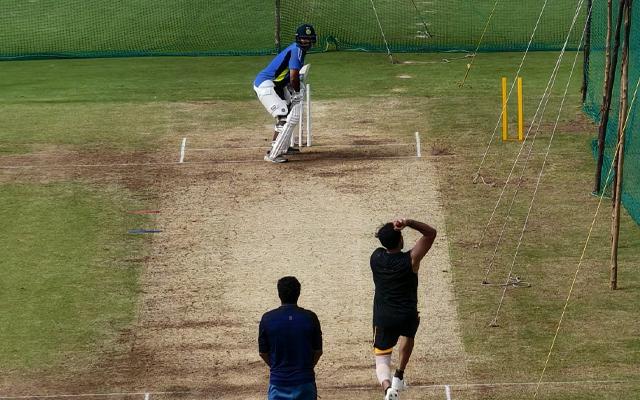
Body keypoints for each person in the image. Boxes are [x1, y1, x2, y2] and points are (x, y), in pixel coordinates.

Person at [370, 218, 437, 400]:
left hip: (384, 317)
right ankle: (399, 374)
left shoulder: (375, 257)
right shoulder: (411, 260)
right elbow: (431, 233)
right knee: (408, 336)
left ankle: (388, 389)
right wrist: (408, 222)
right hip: (407, 315)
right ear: (400, 240)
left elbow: (386, 243)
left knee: (382, 358)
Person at [253, 24, 317, 163]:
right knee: (283, 116)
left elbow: (289, 75)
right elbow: (293, 76)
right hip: (266, 84)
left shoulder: (298, 50)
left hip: (277, 85)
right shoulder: (297, 50)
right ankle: (273, 154)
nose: (306, 42)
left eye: (309, 39)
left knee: (287, 114)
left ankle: (283, 146)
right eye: (303, 39)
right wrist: (297, 92)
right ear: (298, 39)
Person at [259, 276, 323, 399]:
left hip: (278, 382)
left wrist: (276, 368)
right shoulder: (310, 318)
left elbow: (263, 352)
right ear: (298, 293)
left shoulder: (267, 319)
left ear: (279, 294)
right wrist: (307, 367)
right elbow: (318, 351)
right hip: (305, 381)